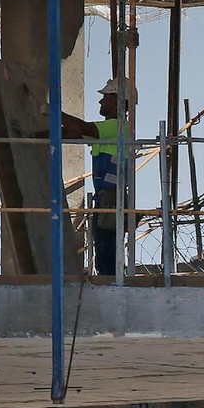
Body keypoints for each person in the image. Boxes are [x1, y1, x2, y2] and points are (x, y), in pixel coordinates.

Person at [58, 77, 132, 276]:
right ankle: (108, 277)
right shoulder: (106, 131)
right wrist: (33, 135)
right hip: (104, 197)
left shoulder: (118, 127)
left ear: (116, 101)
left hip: (112, 197)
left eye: (105, 98)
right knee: (102, 245)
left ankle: (111, 281)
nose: (101, 102)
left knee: (107, 247)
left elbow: (82, 128)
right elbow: (71, 133)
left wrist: (53, 111)